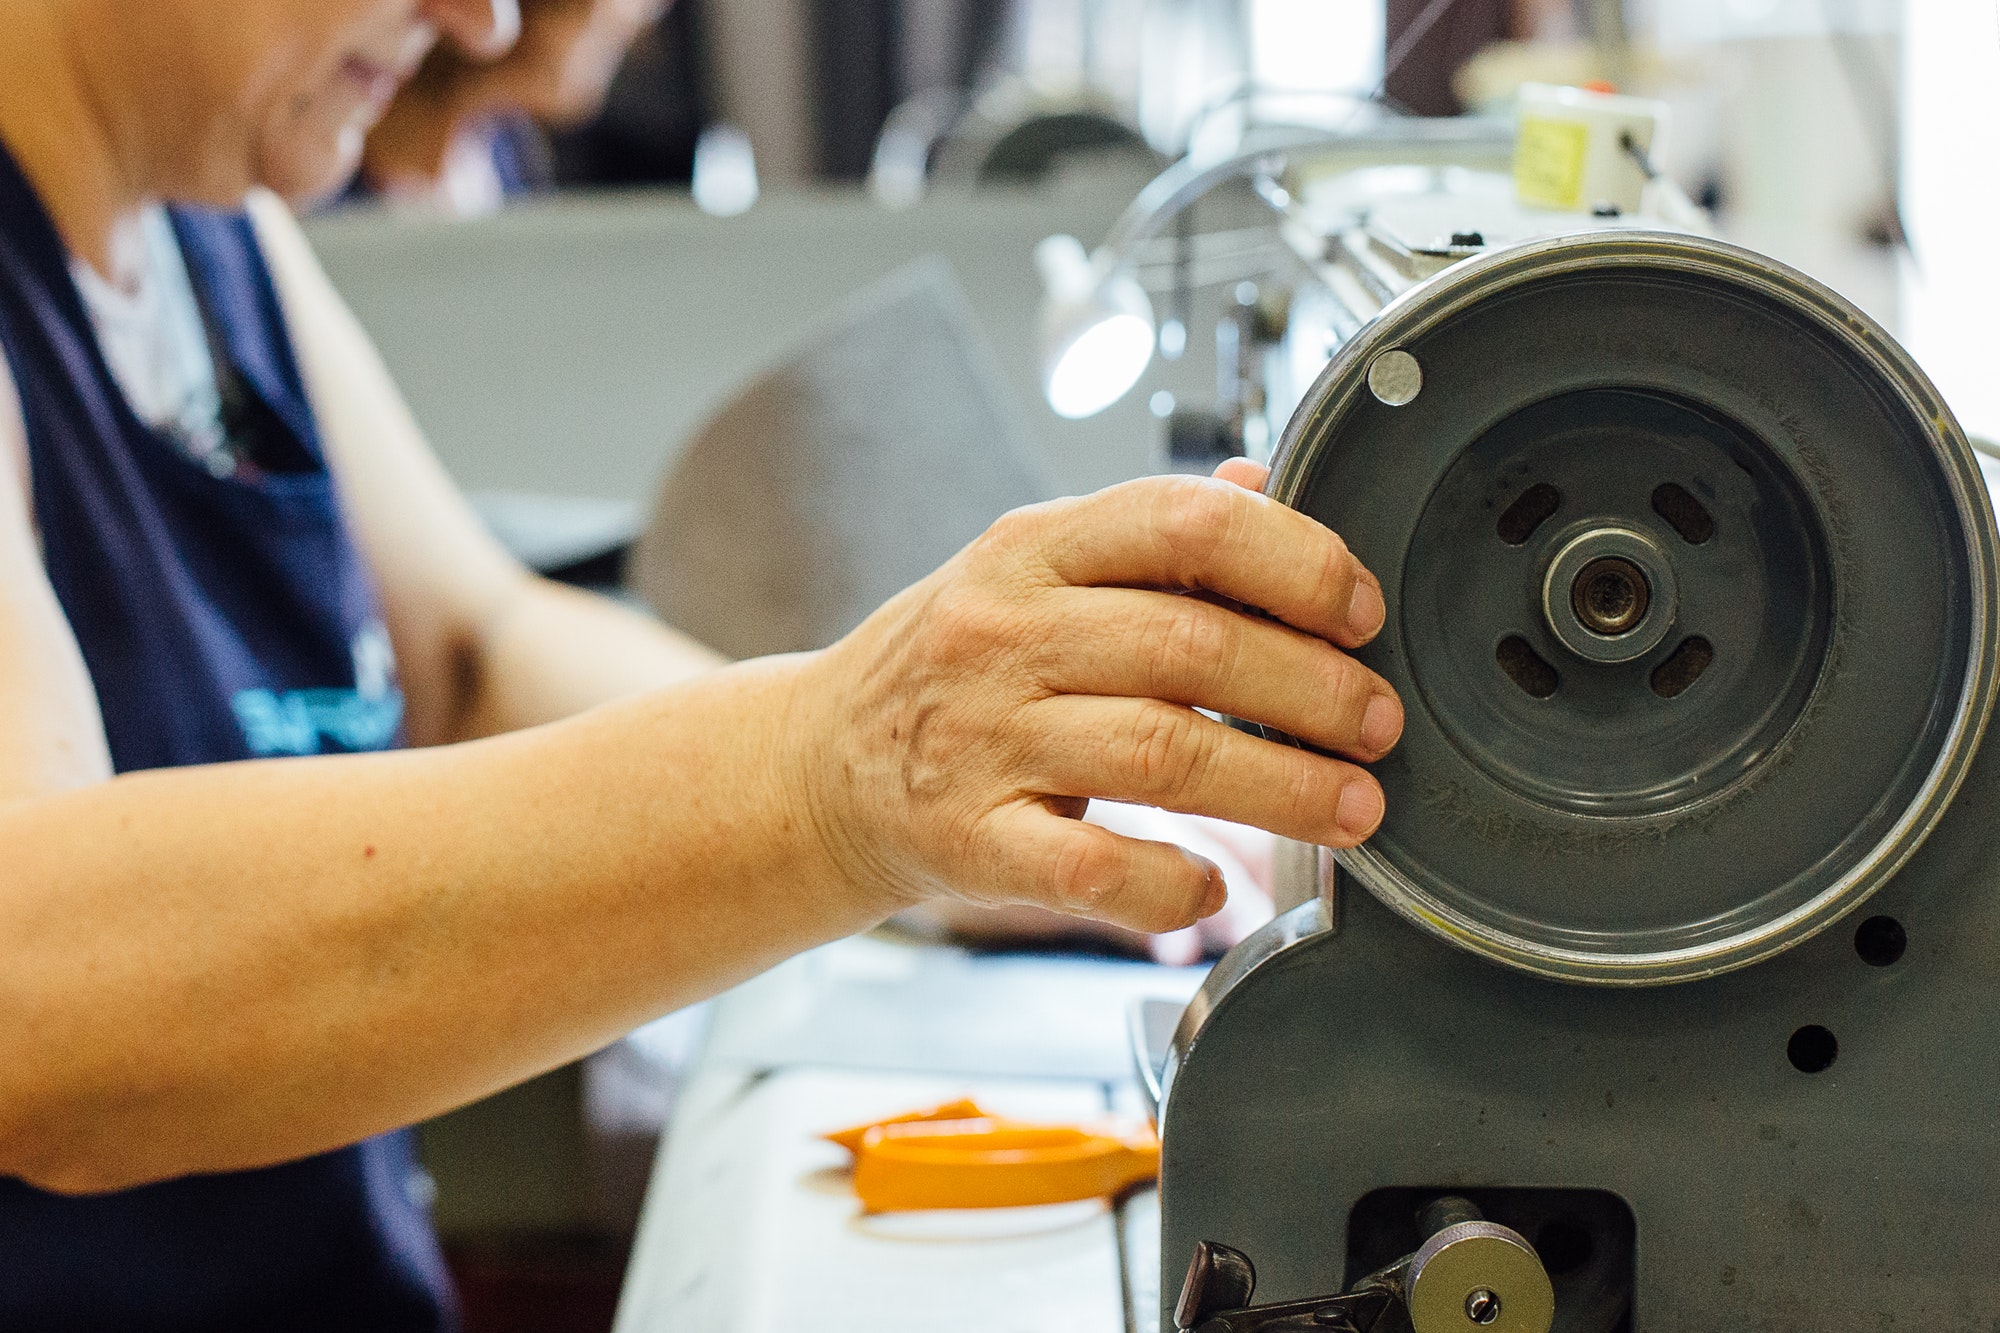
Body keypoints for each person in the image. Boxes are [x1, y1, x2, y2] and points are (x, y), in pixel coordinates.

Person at [0, 1, 1404, 1327]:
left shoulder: (205, 217)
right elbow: (39, 1002)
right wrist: (840, 775)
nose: (487, 28)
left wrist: (969, 823)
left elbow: (475, 650)